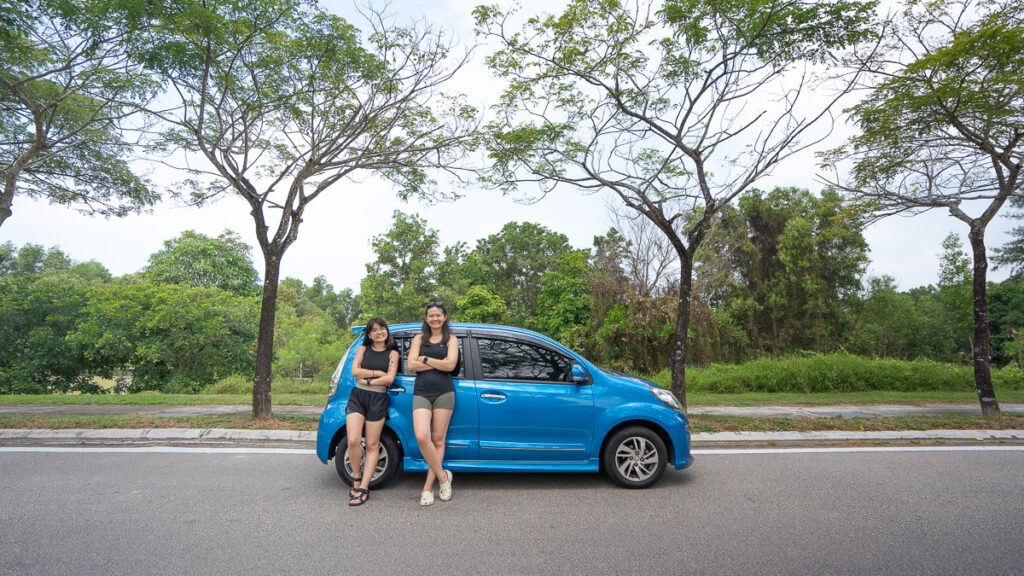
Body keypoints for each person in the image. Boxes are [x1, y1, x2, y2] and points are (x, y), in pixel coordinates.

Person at [407, 301, 459, 506]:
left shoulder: (451, 339)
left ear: (445, 317)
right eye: (431, 315)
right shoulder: (419, 338)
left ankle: (428, 488)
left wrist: (426, 359)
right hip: (421, 392)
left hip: (444, 393)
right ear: (426, 318)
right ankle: (444, 478)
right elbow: (411, 365)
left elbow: (450, 365)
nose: (435, 318)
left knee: (438, 440)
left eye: (438, 315)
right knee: (422, 436)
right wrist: (439, 364)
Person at [345, 318, 399, 506]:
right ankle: (356, 477)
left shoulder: (393, 354)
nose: (379, 332)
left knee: (371, 443)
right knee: (353, 440)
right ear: (369, 335)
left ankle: (363, 488)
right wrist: (378, 374)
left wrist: (367, 378)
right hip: (358, 397)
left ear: (386, 331)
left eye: (382, 328)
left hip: (378, 399)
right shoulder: (362, 350)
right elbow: (354, 371)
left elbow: (390, 378)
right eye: (374, 330)